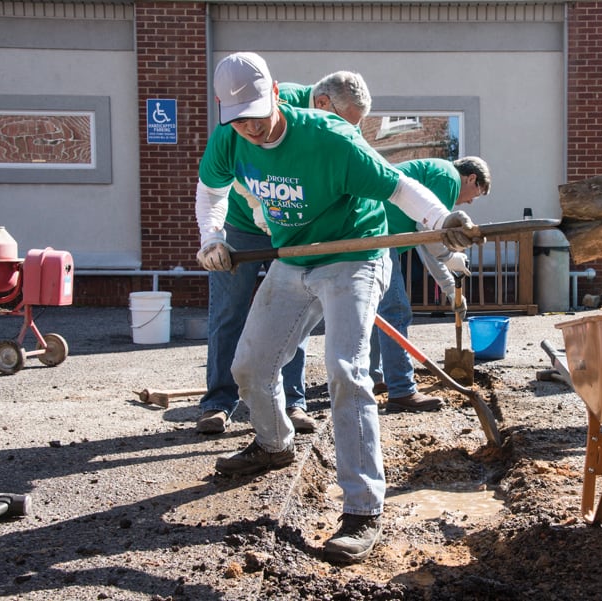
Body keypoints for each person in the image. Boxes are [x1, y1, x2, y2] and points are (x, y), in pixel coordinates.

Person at [194, 52, 479, 564]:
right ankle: (275, 444)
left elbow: (399, 186)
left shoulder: (329, 138)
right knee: (250, 367)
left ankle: (363, 508)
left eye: (258, 114)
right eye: (239, 120)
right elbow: (210, 190)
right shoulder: (230, 139)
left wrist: (443, 221)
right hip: (292, 257)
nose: (251, 129)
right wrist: (212, 235)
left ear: (278, 92)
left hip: (354, 257)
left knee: (347, 373)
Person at [196, 70, 372, 436]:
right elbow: (230, 179)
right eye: (344, 123)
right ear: (323, 104)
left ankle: (293, 402)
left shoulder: (325, 128)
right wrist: (225, 231)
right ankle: (218, 402)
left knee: (295, 310)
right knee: (229, 309)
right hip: (242, 224)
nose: (345, 135)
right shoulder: (270, 109)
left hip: (295, 227)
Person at [369, 157, 492, 411]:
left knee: (377, 312)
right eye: (475, 195)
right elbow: (432, 236)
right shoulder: (447, 177)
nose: (469, 201)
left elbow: (427, 242)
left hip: (375, 233)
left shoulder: (436, 173)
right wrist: (449, 258)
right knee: (395, 312)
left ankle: (375, 377)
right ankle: (401, 390)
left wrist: (449, 287)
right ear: (470, 178)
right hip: (377, 235)